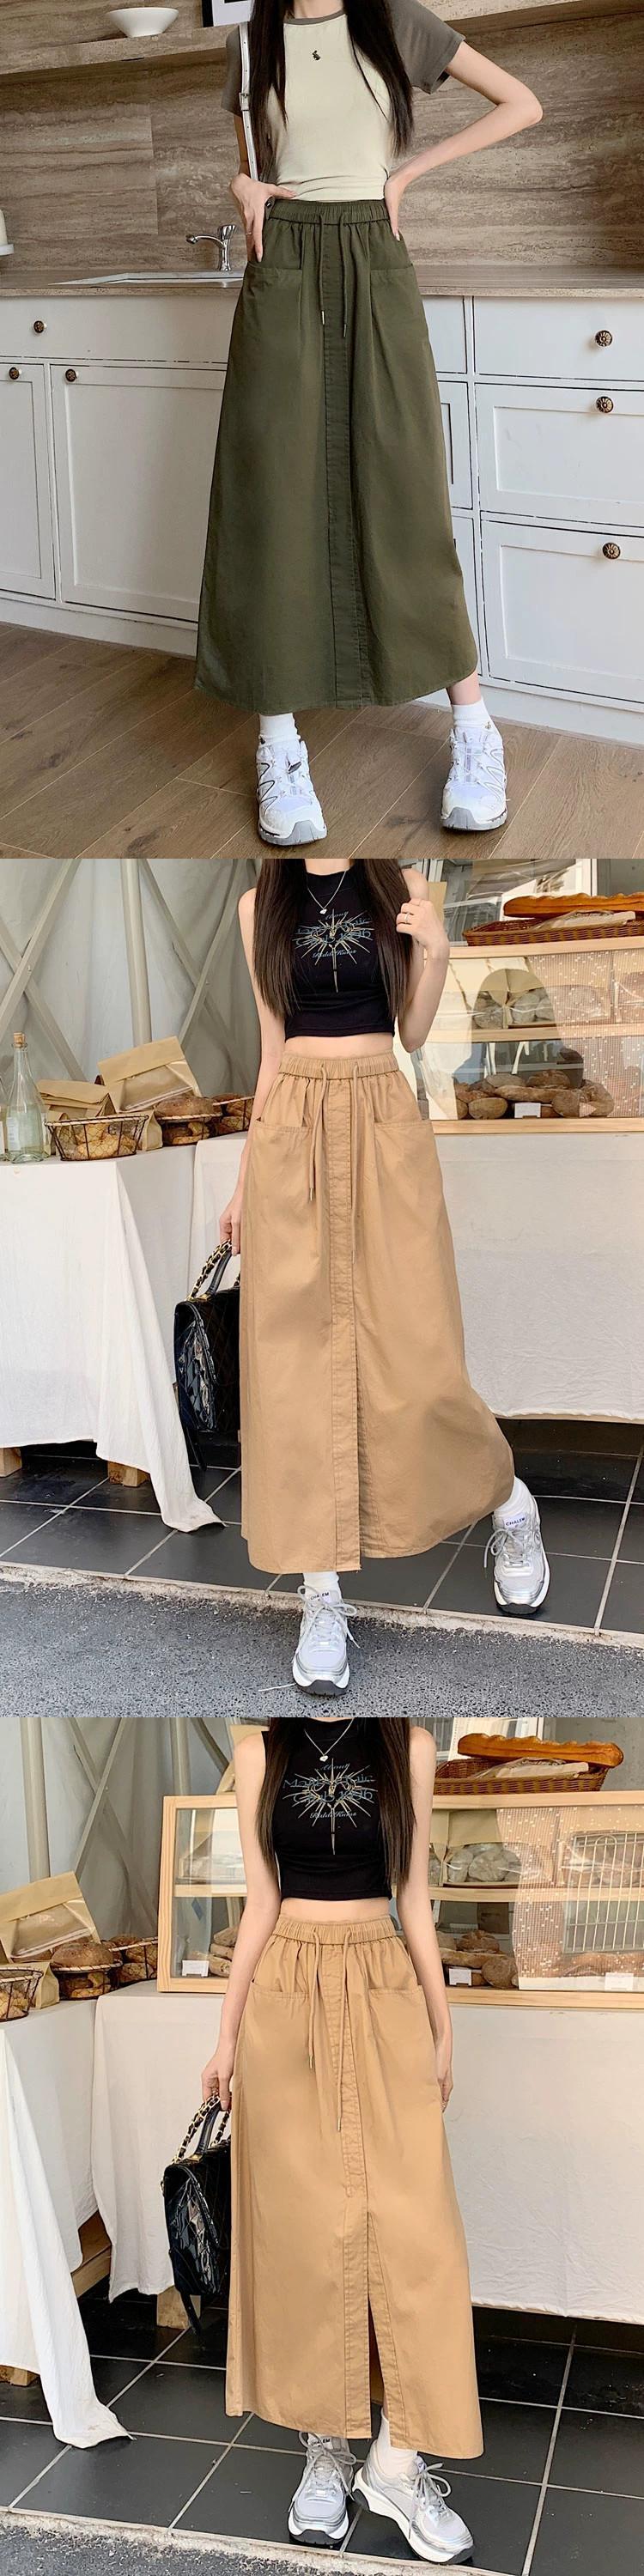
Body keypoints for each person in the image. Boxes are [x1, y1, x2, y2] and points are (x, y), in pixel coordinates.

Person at [194, 0, 542, 847]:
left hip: (372, 253)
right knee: (271, 499)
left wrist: (406, 176)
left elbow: (522, 102)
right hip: (284, 262)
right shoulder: (249, 43)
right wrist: (241, 186)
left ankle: (474, 733)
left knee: (404, 493)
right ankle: (279, 745)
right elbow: (252, 168)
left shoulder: (396, 23)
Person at [220, 857, 550, 1692]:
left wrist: (436, 949)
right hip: (293, 1126)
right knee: (294, 1369)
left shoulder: (400, 886)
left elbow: (412, 1033)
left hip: (381, 1115)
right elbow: (271, 1052)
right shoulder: (261, 903)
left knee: (418, 1351)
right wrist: (245, 1180)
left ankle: (508, 1500)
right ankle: (320, 1595)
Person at [202, 1717, 482, 2564]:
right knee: (308, 2235)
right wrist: (225, 2036)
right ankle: (324, 2451)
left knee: (417, 2232)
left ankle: (395, 2461)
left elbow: (414, 1899)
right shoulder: (259, 1750)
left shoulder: (410, 1746)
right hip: (286, 1988)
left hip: (383, 1980)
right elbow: (260, 1902)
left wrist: (442, 2022)